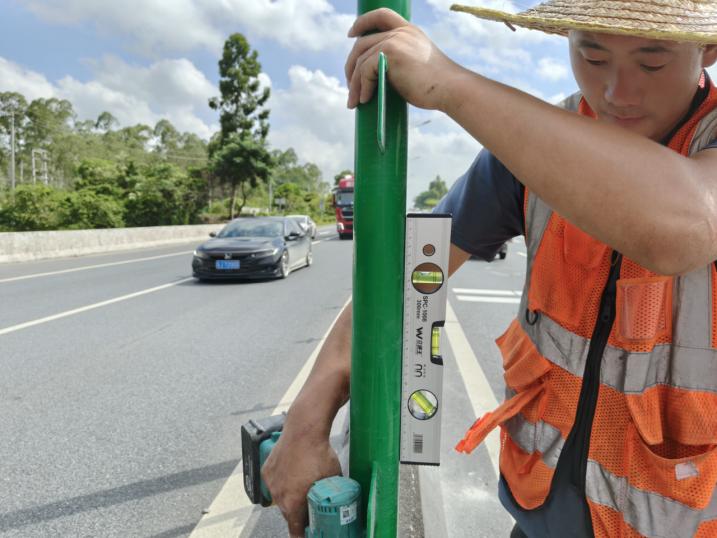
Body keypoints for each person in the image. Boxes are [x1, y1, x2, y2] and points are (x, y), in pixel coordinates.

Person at [262, 1, 717, 536]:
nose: (618, 92)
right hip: (537, 518)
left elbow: (682, 226)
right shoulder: (531, 152)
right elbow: (403, 281)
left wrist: (450, 84)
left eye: (652, 62)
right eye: (592, 56)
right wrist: (307, 420)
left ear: (707, 49)